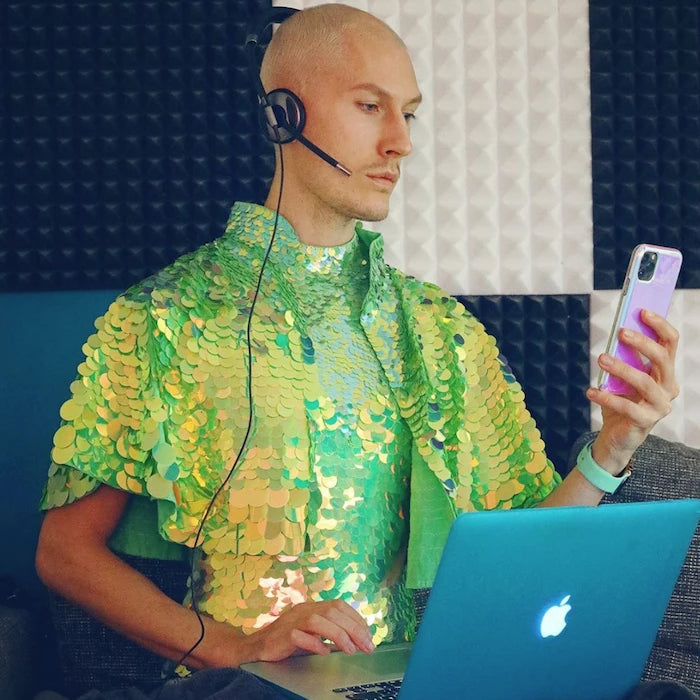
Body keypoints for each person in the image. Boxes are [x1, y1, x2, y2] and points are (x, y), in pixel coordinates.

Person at [35, 4, 689, 699]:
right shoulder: (162, 318)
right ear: (283, 116)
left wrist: (613, 449)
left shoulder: (441, 331)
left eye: (408, 113)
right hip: (244, 688)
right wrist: (232, 647)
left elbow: (527, 557)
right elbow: (65, 555)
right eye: (370, 105)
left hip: (400, 685)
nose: (399, 141)